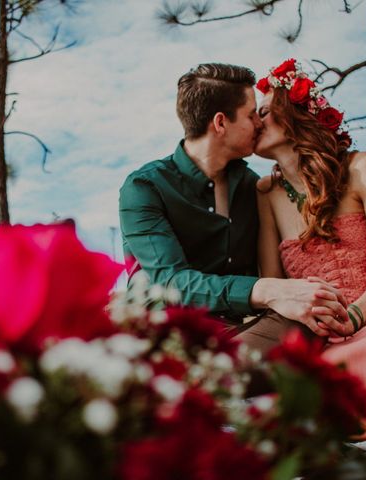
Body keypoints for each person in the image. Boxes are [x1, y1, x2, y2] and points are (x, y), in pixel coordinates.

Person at [254, 58, 366, 444]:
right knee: (330, 371)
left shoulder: (360, 167)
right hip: (332, 331)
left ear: (294, 115)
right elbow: (271, 284)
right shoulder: (266, 195)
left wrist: (352, 318)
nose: (256, 122)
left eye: (265, 112)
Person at [118, 63, 348, 354]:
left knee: (307, 325)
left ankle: (213, 380)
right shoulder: (144, 188)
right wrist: (266, 290)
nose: (259, 123)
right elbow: (171, 282)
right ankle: (193, 381)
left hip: (243, 331)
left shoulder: (255, 188)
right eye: (252, 114)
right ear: (221, 123)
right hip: (169, 333)